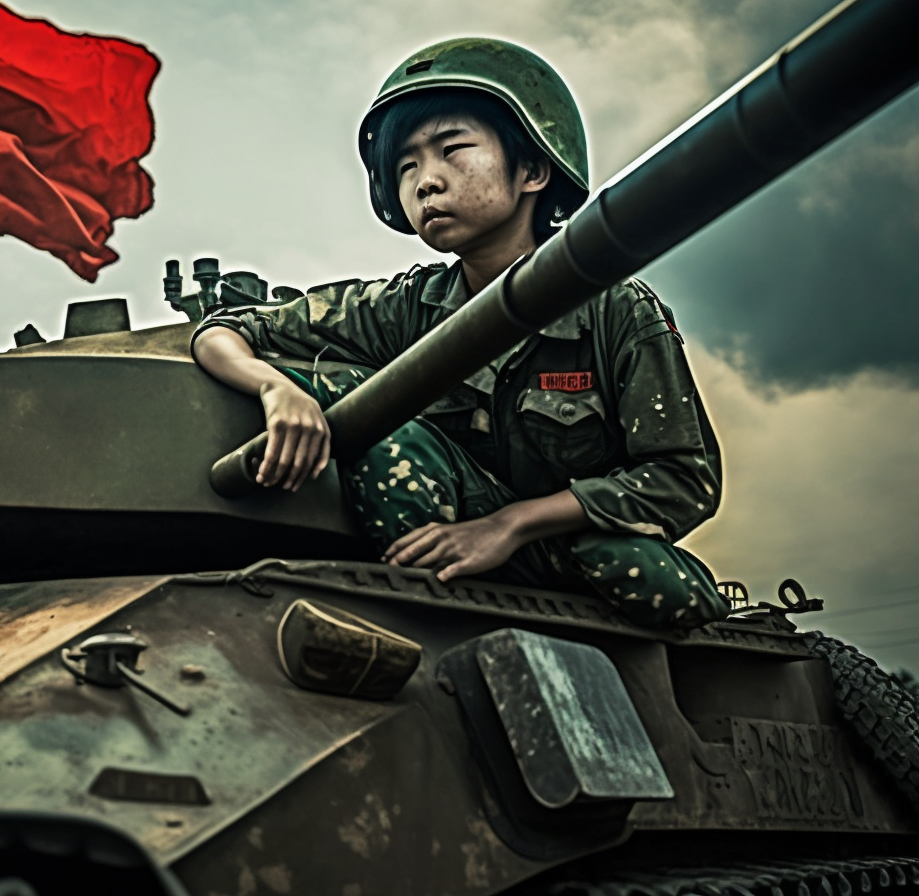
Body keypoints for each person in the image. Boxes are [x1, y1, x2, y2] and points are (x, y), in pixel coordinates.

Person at [190, 38, 727, 628]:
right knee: (377, 430)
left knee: (643, 573)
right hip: (449, 571)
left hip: (580, 559)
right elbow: (222, 331)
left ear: (532, 169)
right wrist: (276, 389)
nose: (426, 182)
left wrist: (510, 526)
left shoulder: (615, 311)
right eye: (406, 167)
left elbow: (684, 480)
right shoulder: (402, 308)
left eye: (452, 150)